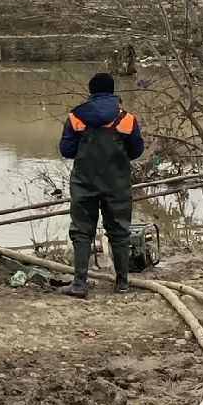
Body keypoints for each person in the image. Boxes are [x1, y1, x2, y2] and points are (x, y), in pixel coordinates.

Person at [59, 71, 144, 295]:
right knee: (119, 232)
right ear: (113, 91)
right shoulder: (126, 118)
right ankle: (122, 283)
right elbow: (136, 151)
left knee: (81, 232)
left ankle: (79, 284)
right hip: (117, 184)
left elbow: (66, 151)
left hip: (84, 183)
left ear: (91, 91)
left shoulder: (75, 117)